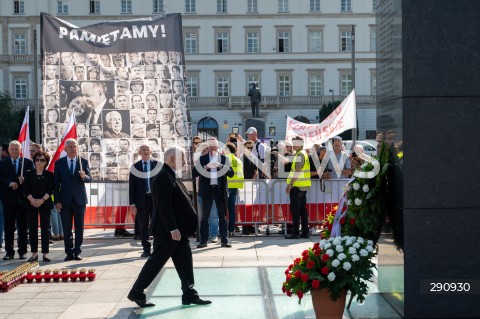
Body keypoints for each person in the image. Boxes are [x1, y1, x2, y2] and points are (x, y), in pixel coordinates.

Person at [127, 146, 211, 308]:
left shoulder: (170, 175)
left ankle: (189, 293)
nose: (186, 162)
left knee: (185, 261)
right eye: (182, 158)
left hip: (179, 231)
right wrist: (173, 228)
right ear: (172, 159)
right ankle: (136, 292)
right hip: (168, 232)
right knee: (156, 262)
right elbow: (163, 206)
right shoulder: (163, 176)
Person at [54, 138, 92, 261]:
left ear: (77, 148)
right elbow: (56, 184)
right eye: (70, 147)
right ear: (65, 149)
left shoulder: (83, 162)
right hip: (65, 200)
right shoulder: (59, 163)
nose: (72, 148)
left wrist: (84, 176)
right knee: (66, 228)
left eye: (74, 146)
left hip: (79, 200)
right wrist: (57, 201)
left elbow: (89, 178)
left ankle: (77, 251)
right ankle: (69, 252)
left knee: (79, 227)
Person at [193, 137, 234, 248]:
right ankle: (203, 241)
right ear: (208, 146)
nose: (212, 147)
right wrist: (205, 167)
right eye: (210, 144)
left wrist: (220, 166)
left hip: (219, 190)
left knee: (222, 216)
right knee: (204, 217)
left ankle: (224, 240)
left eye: (214, 144)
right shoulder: (202, 159)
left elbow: (231, 173)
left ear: (218, 146)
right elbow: (194, 173)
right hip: (207, 190)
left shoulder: (224, 159)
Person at [0, 141, 35, 260]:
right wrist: (9, 183)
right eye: (12, 149)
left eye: (17, 149)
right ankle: (9, 252)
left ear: (20, 150)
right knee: (8, 227)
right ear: (8, 150)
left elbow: (34, 179)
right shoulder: (2, 163)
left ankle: (22, 251)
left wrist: (25, 179)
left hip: (23, 199)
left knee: (23, 227)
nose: (14, 151)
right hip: (8, 199)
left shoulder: (28, 163)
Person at [23, 150, 54, 262]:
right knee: (32, 228)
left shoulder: (50, 175)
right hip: (31, 204)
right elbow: (25, 189)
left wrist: (41, 200)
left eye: (42, 160)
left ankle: (45, 254)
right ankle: (34, 253)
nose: (39, 162)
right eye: (37, 160)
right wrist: (32, 200)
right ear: (34, 161)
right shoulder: (28, 174)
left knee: (45, 229)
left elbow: (51, 189)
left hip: (45, 204)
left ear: (46, 162)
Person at [129, 145, 158, 257]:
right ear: (139, 152)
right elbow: (132, 187)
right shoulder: (135, 167)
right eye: (143, 150)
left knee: (156, 224)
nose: (146, 151)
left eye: (147, 149)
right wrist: (132, 203)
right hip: (141, 200)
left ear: (151, 151)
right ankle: (146, 249)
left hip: (155, 199)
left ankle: (156, 248)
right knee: (143, 225)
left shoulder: (157, 165)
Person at [285, 136, 311, 239]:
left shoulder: (300, 154)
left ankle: (296, 233)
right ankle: (305, 232)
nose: (293, 145)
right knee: (302, 210)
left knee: (296, 210)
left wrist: (290, 185)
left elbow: (298, 171)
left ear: (300, 144)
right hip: (302, 186)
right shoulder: (302, 153)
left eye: (295, 143)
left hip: (297, 186)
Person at [224, 143, 244, 237]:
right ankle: (231, 230)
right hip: (235, 186)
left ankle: (223, 230)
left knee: (223, 209)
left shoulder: (226, 159)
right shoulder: (238, 160)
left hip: (226, 186)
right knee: (231, 209)